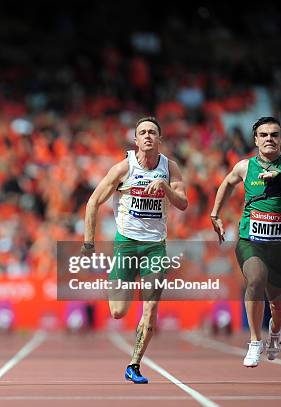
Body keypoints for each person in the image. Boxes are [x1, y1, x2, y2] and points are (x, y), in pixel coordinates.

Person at [82, 117, 188, 383]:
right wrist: (88, 242)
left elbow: (183, 203)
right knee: (118, 312)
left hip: (155, 247)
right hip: (126, 244)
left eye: (152, 132)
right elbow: (93, 202)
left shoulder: (170, 168)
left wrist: (164, 187)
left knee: (150, 309)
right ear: (136, 140)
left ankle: (134, 364)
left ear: (159, 139)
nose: (148, 136)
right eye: (143, 132)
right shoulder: (123, 168)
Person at [211, 116, 281, 367]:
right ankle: (255, 342)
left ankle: (275, 332)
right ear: (255, 140)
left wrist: (277, 178)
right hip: (250, 239)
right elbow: (227, 184)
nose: (269, 139)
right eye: (263, 135)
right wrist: (215, 214)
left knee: (278, 303)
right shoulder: (245, 167)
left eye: (274, 135)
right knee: (255, 279)